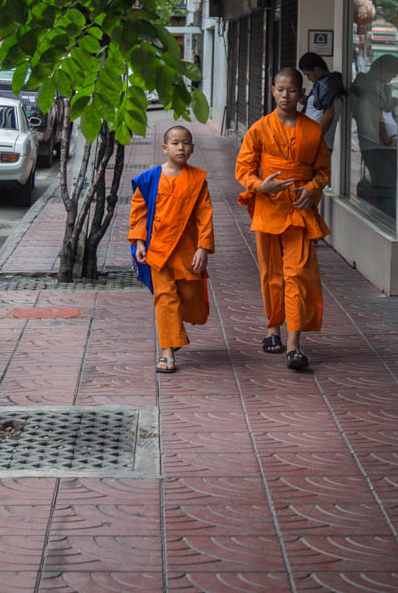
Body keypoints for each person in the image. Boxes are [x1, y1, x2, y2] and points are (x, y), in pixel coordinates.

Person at [235, 67, 331, 372]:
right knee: (270, 272)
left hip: (300, 210)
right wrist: (261, 186)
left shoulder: (313, 131)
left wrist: (313, 190)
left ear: (302, 95)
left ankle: (294, 343)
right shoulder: (259, 129)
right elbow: (243, 169)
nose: (286, 95)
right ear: (272, 91)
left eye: (292, 90)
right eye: (280, 89)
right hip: (268, 208)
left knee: (298, 273)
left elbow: (323, 171)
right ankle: (272, 327)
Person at [129, 125, 215, 375]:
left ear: (192, 149)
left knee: (189, 297)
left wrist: (203, 247)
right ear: (165, 148)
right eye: (175, 143)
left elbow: (204, 215)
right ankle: (167, 350)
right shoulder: (150, 178)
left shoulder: (198, 179)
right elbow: (139, 212)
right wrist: (139, 242)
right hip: (158, 250)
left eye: (186, 143)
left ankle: (174, 332)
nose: (181, 147)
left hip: (187, 250)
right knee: (165, 299)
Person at [349, 53, 398, 217]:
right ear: (382, 70)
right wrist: (386, 139)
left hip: (372, 143)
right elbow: (375, 114)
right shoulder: (370, 87)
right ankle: (387, 217)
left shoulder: (365, 84)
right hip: (379, 145)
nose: (391, 80)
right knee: (387, 186)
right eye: (391, 75)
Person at [298, 52, 345, 153]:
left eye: (308, 75)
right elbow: (320, 108)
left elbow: (328, 115)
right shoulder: (324, 84)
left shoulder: (327, 85)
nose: (308, 79)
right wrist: (307, 101)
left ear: (317, 70)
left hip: (318, 144)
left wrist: (314, 140)